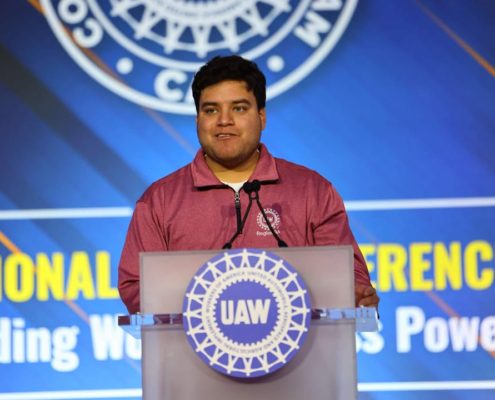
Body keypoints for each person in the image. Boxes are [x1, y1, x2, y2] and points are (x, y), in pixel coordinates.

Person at [118, 55, 379, 314]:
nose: (224, 120)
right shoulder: (160, 200)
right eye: (211, 110)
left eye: (239, 108)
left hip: (300, 342)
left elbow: (346, 277)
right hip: (191, 342)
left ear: (262, 117)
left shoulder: (312, 191)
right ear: (197, 120)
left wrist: (355, 294)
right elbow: (137, 287)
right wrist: (218, 310)